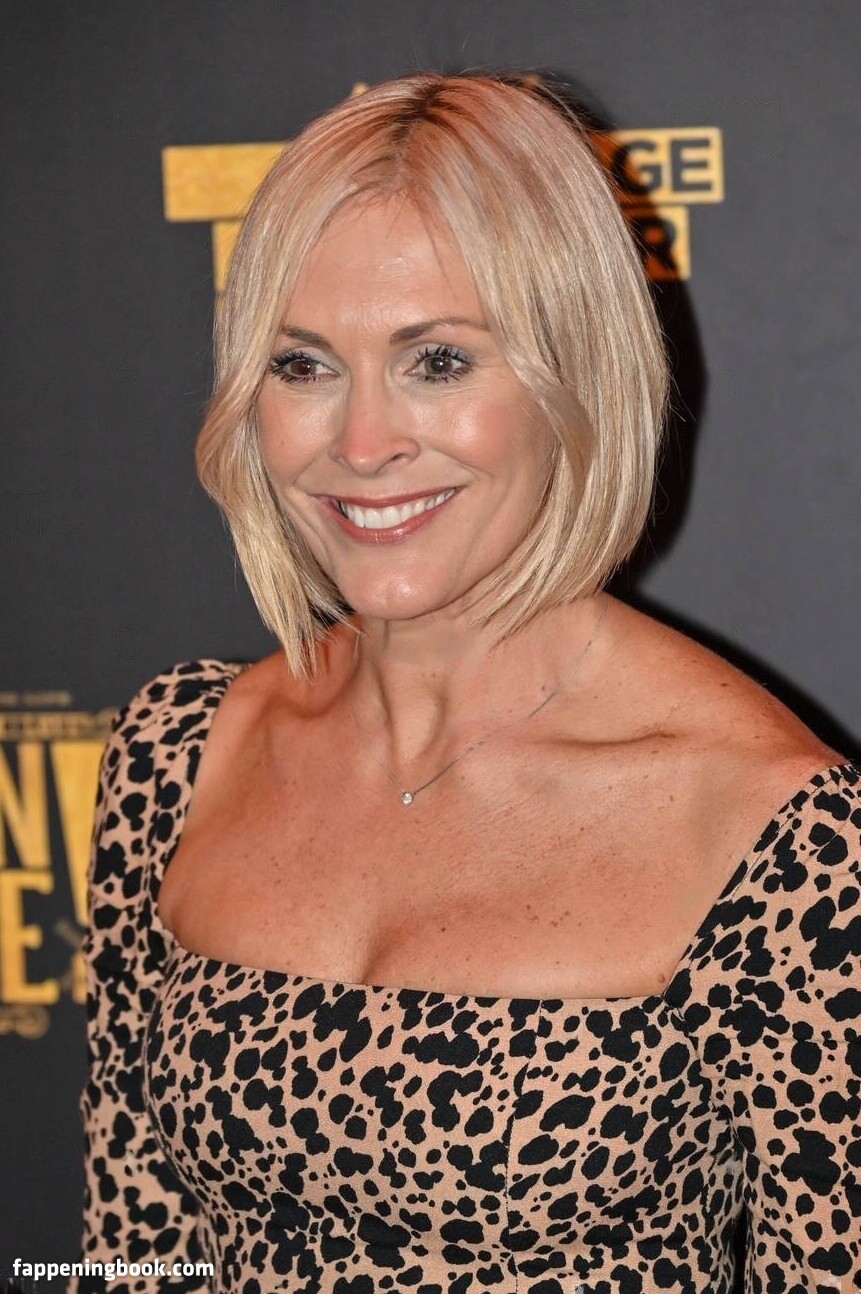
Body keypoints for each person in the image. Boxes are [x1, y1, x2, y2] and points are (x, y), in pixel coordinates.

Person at [71, 71, 859, 1294]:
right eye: (302, 365)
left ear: (573, 373)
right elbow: (131, 1251)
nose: (363, 442)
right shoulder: (178, 751)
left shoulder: (784, 836)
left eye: (437, 360)